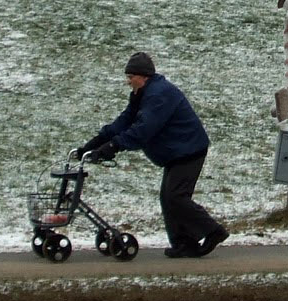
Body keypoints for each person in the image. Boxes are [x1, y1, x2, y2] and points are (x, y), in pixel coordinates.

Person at [74, 52, 229, 259]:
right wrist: (94, 143)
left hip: (189, 149)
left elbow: (143, 130)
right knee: (168, 197)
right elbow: (125, 121)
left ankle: (213, 231)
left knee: (175, 196)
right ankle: (183, 243)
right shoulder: (143, 94)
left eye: (131, 77)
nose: (128, 82)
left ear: (143, 76)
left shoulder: (158, 95)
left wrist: (113, 146)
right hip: (177, 151)